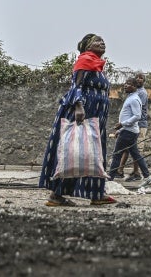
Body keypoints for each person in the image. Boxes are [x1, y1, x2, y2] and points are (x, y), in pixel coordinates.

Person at [39, 34, 116, 206]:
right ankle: (56, 195)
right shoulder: (85, 60)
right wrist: (78, 106)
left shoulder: (98, 65)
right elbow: (76, 86)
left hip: (97, 115)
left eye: (103, 41)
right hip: (84, 112)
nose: (102, 43)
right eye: (97, 41)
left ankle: (96, 193)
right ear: (87, 46)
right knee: (75, 151)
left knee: (92, 153)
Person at [108, 77, 151, 187]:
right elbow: (129, 116)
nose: (125, 85)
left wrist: (122, 125)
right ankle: (147, 177)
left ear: (133, 86)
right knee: (135, 154)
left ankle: (110, 179)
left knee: (117, 154)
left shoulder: (134, 99)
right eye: (125, 83)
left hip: (129, 132)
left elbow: (137, 116)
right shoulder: (131, 97)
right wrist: (121, 129)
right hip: (128, 131)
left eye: (128, 84)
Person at [117, 72, 148, 182]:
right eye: (137, 78)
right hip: (132, 125)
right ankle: (120, 171)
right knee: (129, 149)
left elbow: (137, 114)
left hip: (139, 124)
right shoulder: (133, 94)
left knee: (136, 150)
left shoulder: (141, 94)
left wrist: (123, 124)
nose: (139, 79)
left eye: (141, 78)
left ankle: (137, 173)